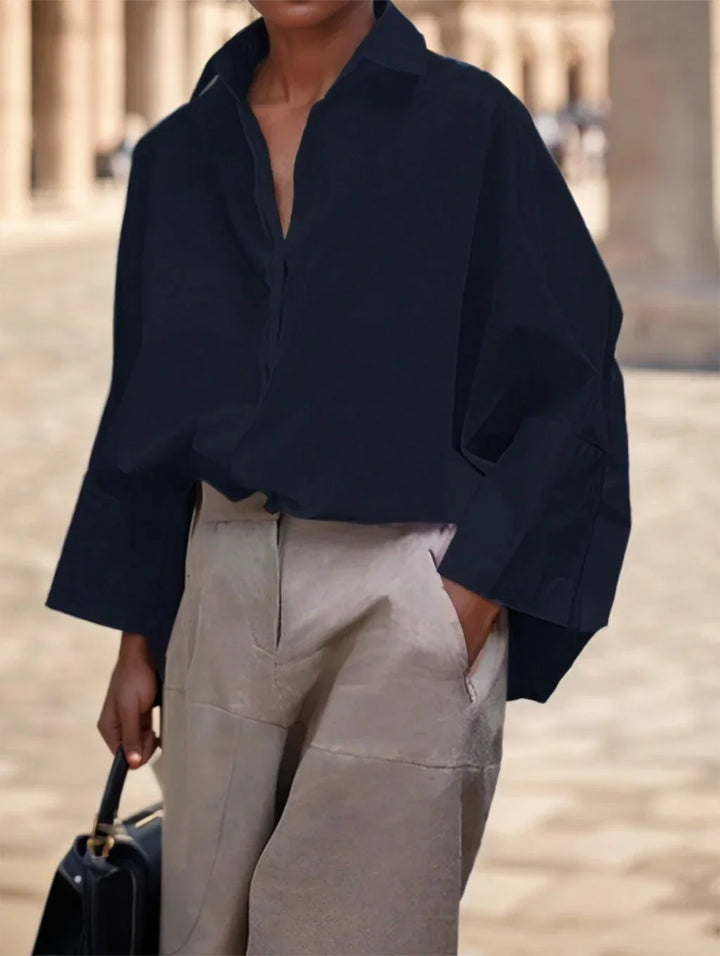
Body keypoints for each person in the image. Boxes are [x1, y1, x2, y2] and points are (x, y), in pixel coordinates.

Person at [44, 1, 631, 953]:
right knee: (202, 940)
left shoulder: (473, 126)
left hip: (404, 599)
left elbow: (568, 375)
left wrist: (463, 600)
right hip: (218, 594)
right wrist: (137, 634)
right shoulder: (177, 159)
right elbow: (149, 404)